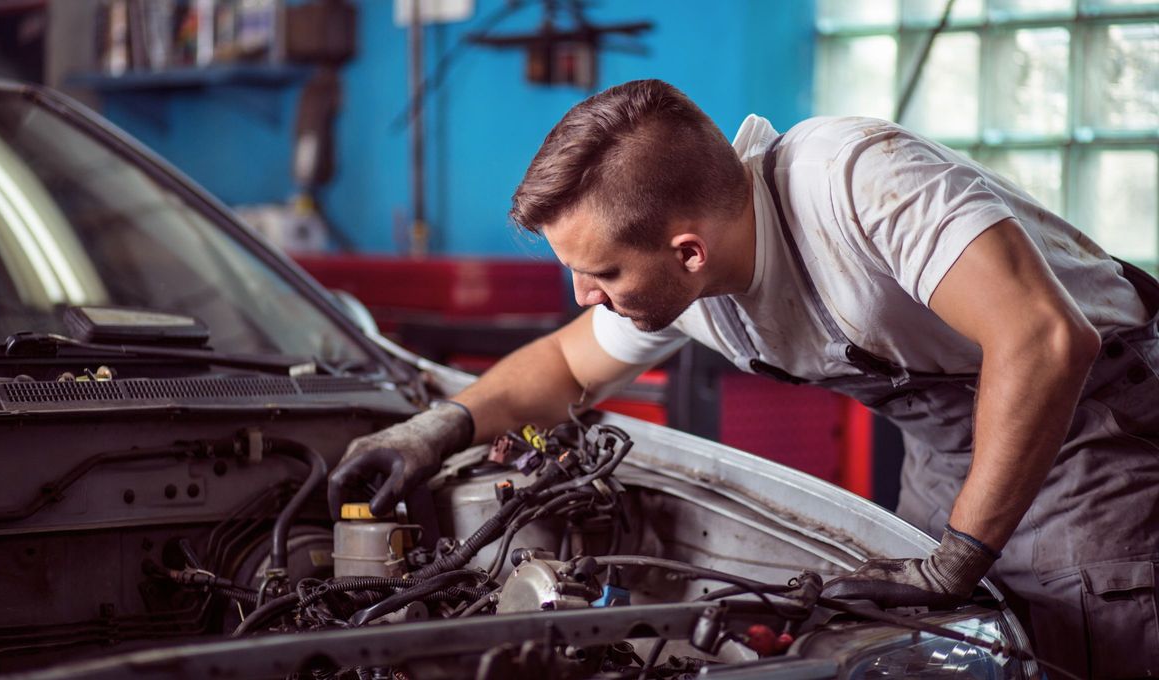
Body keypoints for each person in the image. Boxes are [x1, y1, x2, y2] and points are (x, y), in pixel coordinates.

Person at [329, 79, 1159, 677]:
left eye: (601, 274)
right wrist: (435, 428)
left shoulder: (860, 182)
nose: (584, 296)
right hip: (949, 441)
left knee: (1082, 641)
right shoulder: (688, 282)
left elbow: (1045, 338)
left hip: (1093, 421)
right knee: (931, 648)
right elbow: (562, 365)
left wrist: (957, 557)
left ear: (688, 250)